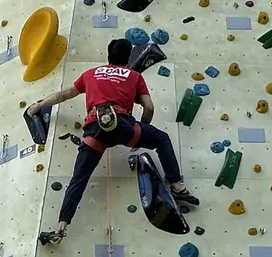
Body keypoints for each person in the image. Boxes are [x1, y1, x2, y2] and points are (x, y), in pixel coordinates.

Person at [26, 39, 195, 245]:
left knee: (79, 179)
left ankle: (61, 225)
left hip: (95, 131)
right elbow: (149, 107)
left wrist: (39, 105)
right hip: (124, 128)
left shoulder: (91, 74)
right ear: (128, 57)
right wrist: (139, 134)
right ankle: (177, 186)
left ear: (108, 55)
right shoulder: (134, 76)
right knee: (162, 139)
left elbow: (64, 94)